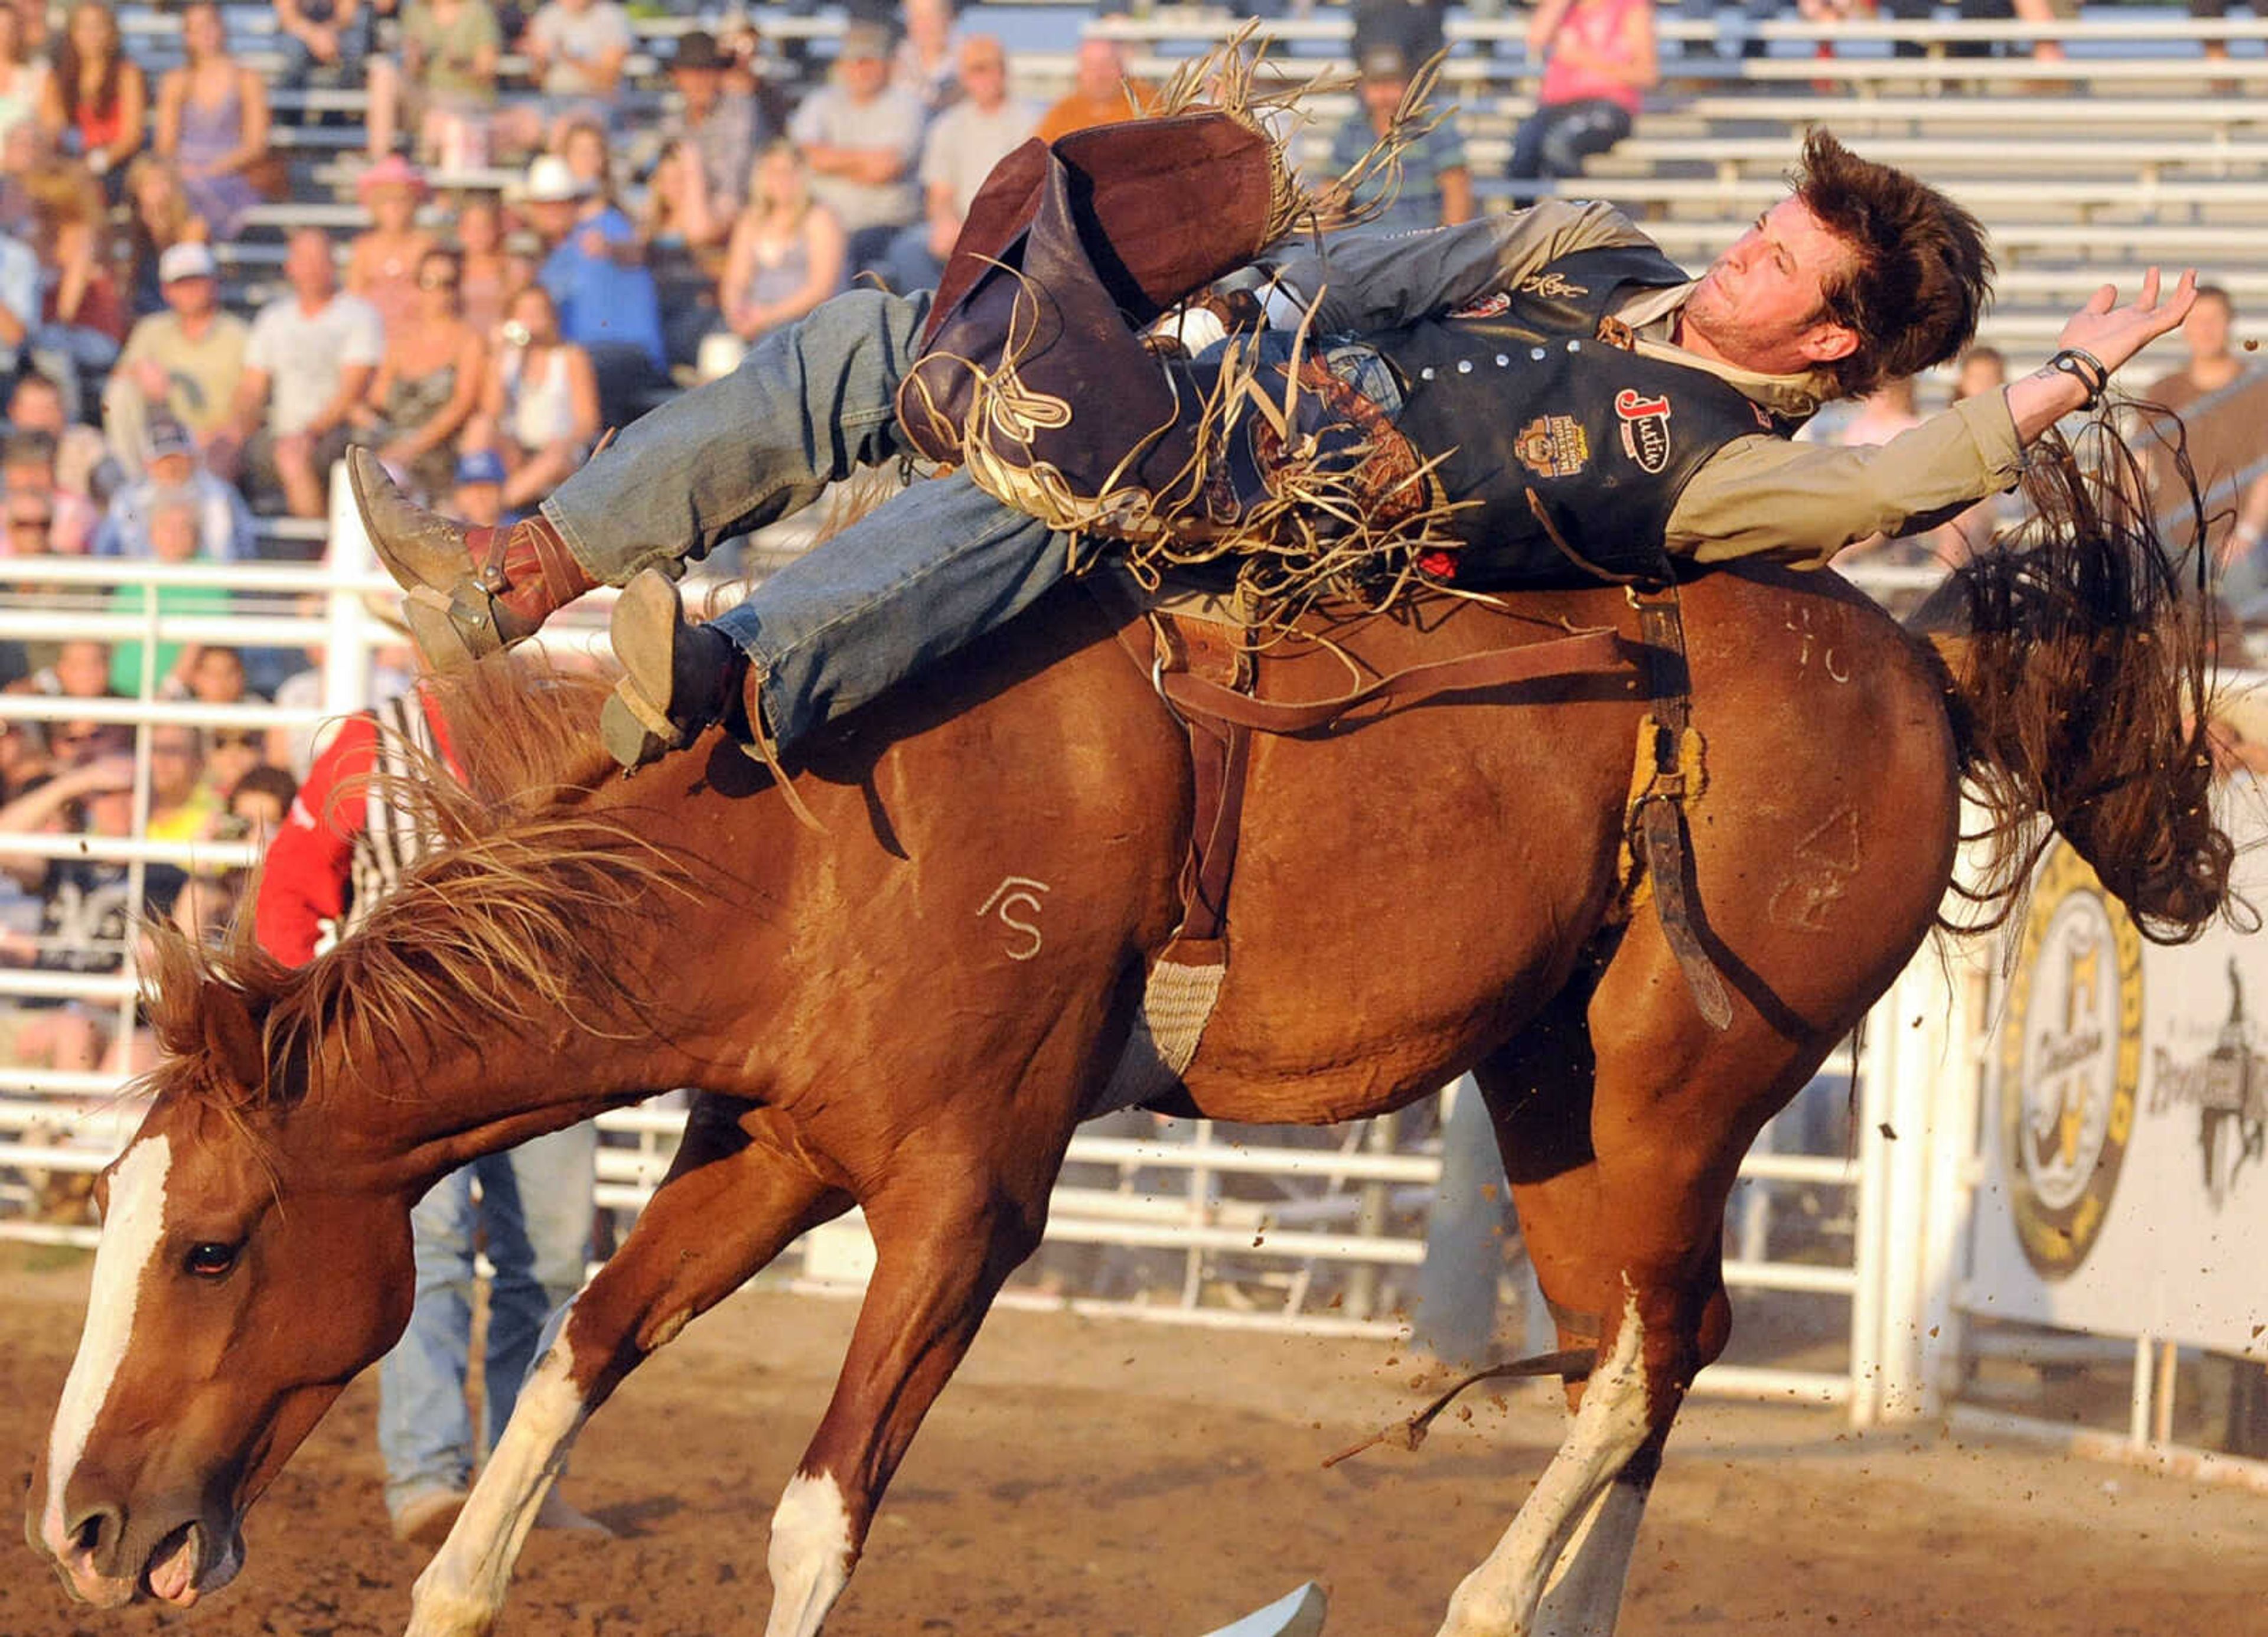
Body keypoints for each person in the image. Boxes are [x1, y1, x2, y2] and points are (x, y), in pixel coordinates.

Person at [351, 126, 2198, 782]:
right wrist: (1241, 302)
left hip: (1299, 544)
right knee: (873, 335)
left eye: (1793, 266)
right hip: (1219, 388)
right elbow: (1382, 265)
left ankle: (737, 682)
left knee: (1062, 514)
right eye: (1773, 225)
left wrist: (2053, 386)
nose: (1751, 250)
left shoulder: (1716, 463)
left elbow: (1879, 492)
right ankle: (517, 579)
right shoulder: (1586, 248)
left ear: (1832, 341)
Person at [250, 683, 608, 1547]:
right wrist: (301, 1028)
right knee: (436, 1255)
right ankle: (429, 1477)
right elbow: (291, 898)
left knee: (555, 1259)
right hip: (403, 1049)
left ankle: (519, 1481)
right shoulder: (374, 743)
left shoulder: (564, 723)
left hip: (545, 1040)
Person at [223, 227, 384, 519]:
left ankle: (309, 551)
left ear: (333, 264)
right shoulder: (274, 318)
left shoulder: (358, 315)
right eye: (304, 259)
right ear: (290, 267)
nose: (311, 269)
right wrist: (236, 427)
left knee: (292, 456)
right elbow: (252, 387)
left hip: (338, 431)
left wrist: (309, 434)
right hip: (281, 431)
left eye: (318, 259)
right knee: (221, 451)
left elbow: (352, 390)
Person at [878, 34, 1032, 297]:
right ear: (964, 76)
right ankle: (932, 322)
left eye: (991, 68)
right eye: (976, 70)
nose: (984, 77)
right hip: (962, 222)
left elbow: (1033, 189)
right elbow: (940, 193)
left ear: (1004, 71)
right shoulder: (948, 125)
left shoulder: (1033, 120)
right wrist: (945, 220)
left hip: (1017, 226)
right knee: (907, 250)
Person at [517, 151, 664, 419]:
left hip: (629, 354)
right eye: (543, 204)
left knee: (573, 374)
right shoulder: (549, 264)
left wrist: (611, 247)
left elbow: (634, 251)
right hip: (580, 359)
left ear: (576, 202)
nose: (551, 211)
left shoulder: (604, 226)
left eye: (560, 202)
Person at [788, 22, 927, 278]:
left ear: (886, 65)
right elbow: (803, 157)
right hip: (821, 224)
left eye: (869, 61)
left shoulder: (906, 105)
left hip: (887, 227)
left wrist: (830, 160)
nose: (861, 70)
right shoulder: (820, 101)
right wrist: (864, 159)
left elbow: (885, 169)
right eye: (854, 62)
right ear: (841, 66)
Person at [100, 240, 247, 478]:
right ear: (167, 290)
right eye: (181, 283)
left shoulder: (238, 335)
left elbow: (250, 398)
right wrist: (140, 373)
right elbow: (118, 380)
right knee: (121, 392)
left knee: (223, 449)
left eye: (197, 281)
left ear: (214, 284)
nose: (190, 290)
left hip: (216, 439)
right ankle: (132, 482)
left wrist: (217, 434)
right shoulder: (151, 330)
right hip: (159, 438)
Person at [354, 246, 487, 504]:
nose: (438, 292)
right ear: (417, 287)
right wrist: (361, 412)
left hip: (439, 447)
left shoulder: (469, 341)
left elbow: (462, 405)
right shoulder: (400, 341)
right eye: (430, 283)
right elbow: (379, 398)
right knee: (352, 467)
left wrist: (411, 447)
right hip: (392, 438)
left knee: (383, 477)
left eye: (447, 284)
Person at [708, 141, 845, 373]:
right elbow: (736, 279)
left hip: (802, 320)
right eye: (773, 172)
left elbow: (821, 288)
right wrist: (736, 311)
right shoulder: (751, 219)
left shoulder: (819, 218)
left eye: (789, 171)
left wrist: (767, 316)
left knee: (768, 352)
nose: (781, 179)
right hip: (756, 314)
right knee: (717, 346)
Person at [467, 281, 597, 512]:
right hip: (515, 447)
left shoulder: (570, 357)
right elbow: (491, 412)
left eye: (539, 313)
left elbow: (588, 420)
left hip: (558, 449)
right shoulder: (507, 358)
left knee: (553, 459)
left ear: (552, 317)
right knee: (479, 428)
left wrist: (563, 442)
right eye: (524, 314)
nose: (532, 321)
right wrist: (498, 357)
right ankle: (479, 502)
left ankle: (490, 511)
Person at [1322, 44, 1470, 234]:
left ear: (1409, 86)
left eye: (1393, 85)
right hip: (1365, 243)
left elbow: (1457, 192)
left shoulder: (1434, 125)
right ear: (1363, 89)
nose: (1385, 95)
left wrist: (1445, 243)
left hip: (1421, 240)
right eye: (1376, 86)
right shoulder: (1353, 129)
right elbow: (1333, 192)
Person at [152, 1, 270, 240]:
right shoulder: (177, 81)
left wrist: (213, 169)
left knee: (200, 196)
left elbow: (256, 143)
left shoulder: (247, 79)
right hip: (185, 171)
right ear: (187, 37)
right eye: (195, 28)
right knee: (165, 193)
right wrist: (182, 170)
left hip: (231, 172)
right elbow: (165, 143)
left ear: (222, 27)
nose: (205, 34)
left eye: (210, 24)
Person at [1510, 0, 1656, 184]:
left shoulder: (1629, 7)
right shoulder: (1563, 8)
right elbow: (1536, 39)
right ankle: (1525, 211)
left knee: (1559, 144)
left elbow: (1647, 74)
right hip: (1558, 105)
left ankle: (1577, 210)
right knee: (1524, 146)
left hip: (1609, 106)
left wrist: (1585, 58)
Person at [96, 410, 254, 560]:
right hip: (142, 582)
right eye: (163, 460)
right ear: (148, 464)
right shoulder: (127, 499)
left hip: (208, 582)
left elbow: (241, 551)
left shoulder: (220, 496)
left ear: (193, 459)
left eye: (177, 459)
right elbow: (107, 550)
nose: (171, 468)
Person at [36, 0, 145, 195]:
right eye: (84, 27)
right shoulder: (56, 78)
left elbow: (131, 136)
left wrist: (96, 163)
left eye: (98, 27)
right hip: (70, 161)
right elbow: (53, 129)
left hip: (113, 164)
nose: (91, 35)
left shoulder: (127, 74)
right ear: (73, 33)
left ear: (111, 32)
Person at [346, 155, 439, 337]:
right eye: (387, 201)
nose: (395, 208)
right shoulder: (365, 248)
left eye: (402, 200)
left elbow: (436, 299)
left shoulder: (426, 246)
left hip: (416, 333)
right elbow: (355, 297)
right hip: (373, 334)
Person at [1033, 34, 1156, 144]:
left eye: (1107, 65)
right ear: (1079, 73)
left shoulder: (1151, 106)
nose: (1100, 75)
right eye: (1091, 67)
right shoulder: (1062, 112)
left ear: (1122, 68)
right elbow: (1038, 159)